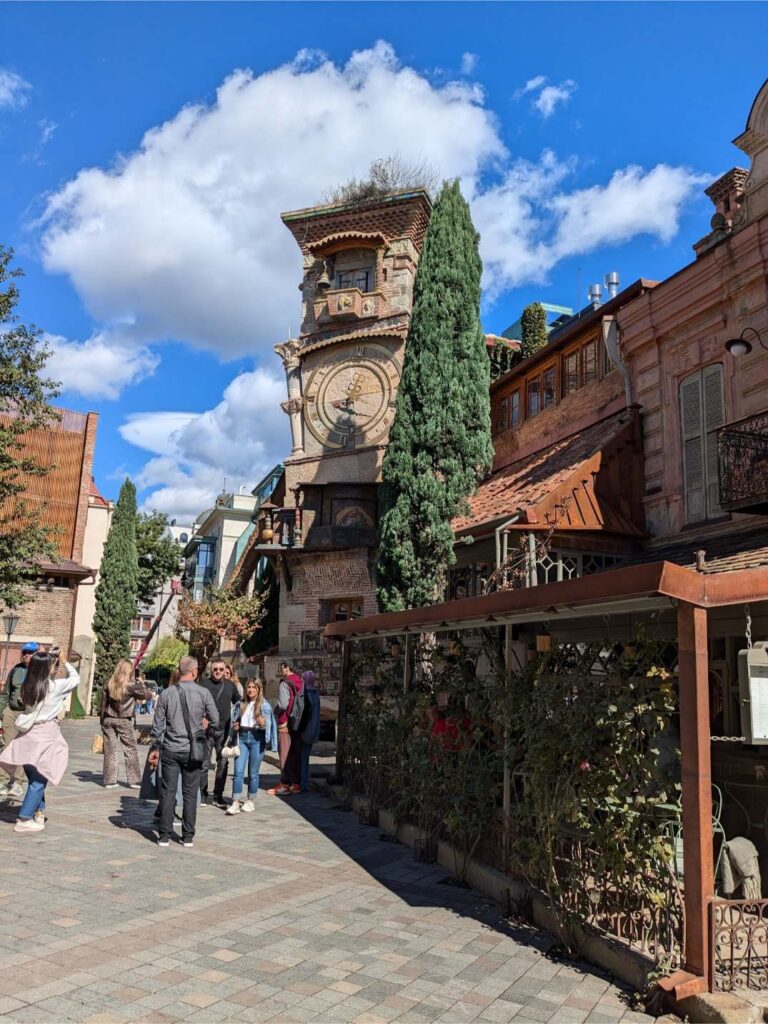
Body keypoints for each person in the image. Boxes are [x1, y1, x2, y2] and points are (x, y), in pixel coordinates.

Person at [0, 647, 80, 833]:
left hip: (28, 735)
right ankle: (24, 818)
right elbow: (76, 678)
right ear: (48, 669)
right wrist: (64, 660)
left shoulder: (28, 685)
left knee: (34, 777)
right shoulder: (54, 687)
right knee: (39, 781)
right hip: (46, 735)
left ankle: (38, 812)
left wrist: (42, 657)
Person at [149, 655, 218, 847]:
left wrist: (155, 747)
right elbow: (216, 718)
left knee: (168, 791)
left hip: (170, 748)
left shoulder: (166, 694)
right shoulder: (203, 693)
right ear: (195, 671)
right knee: (190, 793)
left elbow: (157, 727)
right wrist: (203, 724)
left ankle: (164, 835)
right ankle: (187, 836)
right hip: (193, 750)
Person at [226, 678, 277, 815]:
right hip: (242, 737)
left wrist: (260, 719)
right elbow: (235, 721)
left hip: (257, 738)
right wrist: (235, 726)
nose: (251, 690)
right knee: (238, 771)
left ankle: (250, 800)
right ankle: (235, 802)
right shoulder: (241, 703)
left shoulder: (264, 705)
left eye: (254, 687)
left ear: (259, 689)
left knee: (253, 773)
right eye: (249, 687)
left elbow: (267, 725)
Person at [100, 659, 149, 788]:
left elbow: (103, 703)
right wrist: (142, 684)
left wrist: (102, 720)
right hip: (124, 719)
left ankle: (110, 780)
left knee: (110, 750)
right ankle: (134, 780)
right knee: (130, 749)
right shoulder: (130, 686)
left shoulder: (109, 683)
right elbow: (144, 696)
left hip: (108, 718)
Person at [0, 642, 39, 800]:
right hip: (11, 712)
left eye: (30, 653)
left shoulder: (40, 673)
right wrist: (2, 712)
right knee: (5, 746)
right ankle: (2, 781)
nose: (26, 655)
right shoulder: (16, 670)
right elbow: (6, 693)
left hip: (27, 714)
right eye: (25, 652)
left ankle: (17, 782)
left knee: (22, 748)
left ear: (36, 654)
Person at [199, 659, 240, 808]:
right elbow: (195, 704)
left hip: (223, 731)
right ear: (211, 669)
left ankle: (218, 796)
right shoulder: (203, 684)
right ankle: (202, 794)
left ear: (225, 671)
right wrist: (201, 717)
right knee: (203, 764)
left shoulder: (230, 686)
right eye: (215, 669)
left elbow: (239, 704)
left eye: (221, 669)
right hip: (206, 731)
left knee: (223, 764)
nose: (217, 672)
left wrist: (238, 720)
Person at [268, 661, 305, 796]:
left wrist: (275, 712)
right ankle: (296, 784)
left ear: (287, 668)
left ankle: (285, 784)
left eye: (282, 668)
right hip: (298, 722)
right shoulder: (301, 682)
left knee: (284, 754)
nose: (281, 670)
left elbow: (283, 704)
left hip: (285, 722)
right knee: (295, 754)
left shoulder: (285, 683)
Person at [300, 670, 321, 793]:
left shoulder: (304, 694)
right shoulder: (316, 694)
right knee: (306, 758)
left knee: (301, 758)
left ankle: (301, 783)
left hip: (304, 730)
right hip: (313, 730)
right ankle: (305, 783)